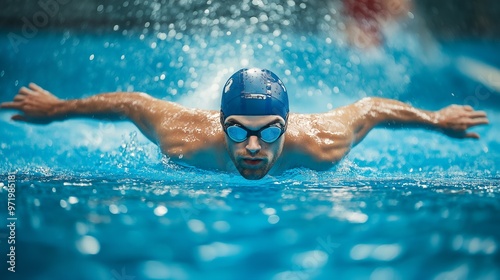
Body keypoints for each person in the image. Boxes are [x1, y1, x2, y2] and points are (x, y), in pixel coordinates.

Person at [0, 68, 489, 180]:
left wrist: (436, 120)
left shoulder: (323, 142)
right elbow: (130, 102)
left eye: (269, 131)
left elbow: (374, 108)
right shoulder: (183, 138)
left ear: (288, 125)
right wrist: (57, 108)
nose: (253, 146)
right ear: (219, 122)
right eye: (237, 130)